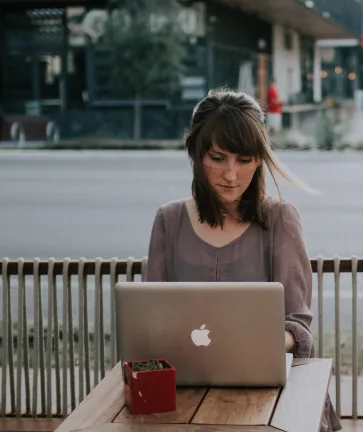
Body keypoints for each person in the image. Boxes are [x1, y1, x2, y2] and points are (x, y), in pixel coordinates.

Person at [145, 88, 342, 432]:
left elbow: (298, 328)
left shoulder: (280, 219)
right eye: (218, 158)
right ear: (195, 153)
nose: (231, 175)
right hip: (186, 393)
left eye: (244, 159)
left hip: (271, 398)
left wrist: (252, 344)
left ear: (259, 159)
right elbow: (151, 319)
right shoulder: (169, 220)